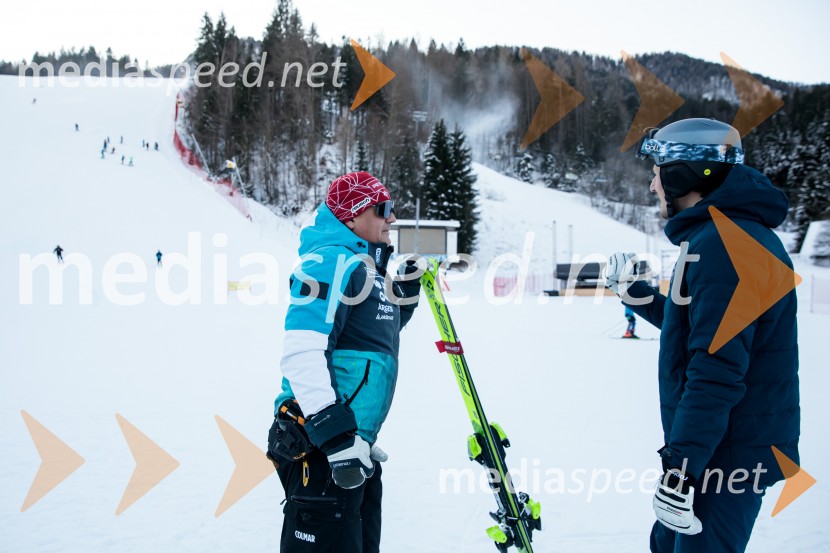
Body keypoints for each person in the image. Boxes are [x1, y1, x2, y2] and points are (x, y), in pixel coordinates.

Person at [603, 118, 799, 553]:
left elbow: (716, 369)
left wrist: (681, 469)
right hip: (713, 451)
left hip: (724, 459)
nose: (652, 187)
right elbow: (694, 327)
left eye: (656, 173)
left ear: (684, 174)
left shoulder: (726, 245)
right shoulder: (723, 238)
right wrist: (635, 295)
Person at [267, 171, 420, 553]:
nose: (392, 218)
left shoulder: (366, 269)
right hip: (320, 448)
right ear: (351, 217)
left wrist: (404, 300)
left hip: (352, 447)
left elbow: (373, 340)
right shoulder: (331, 261)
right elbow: (302, 350)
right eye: (382, 209)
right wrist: (336, 437)